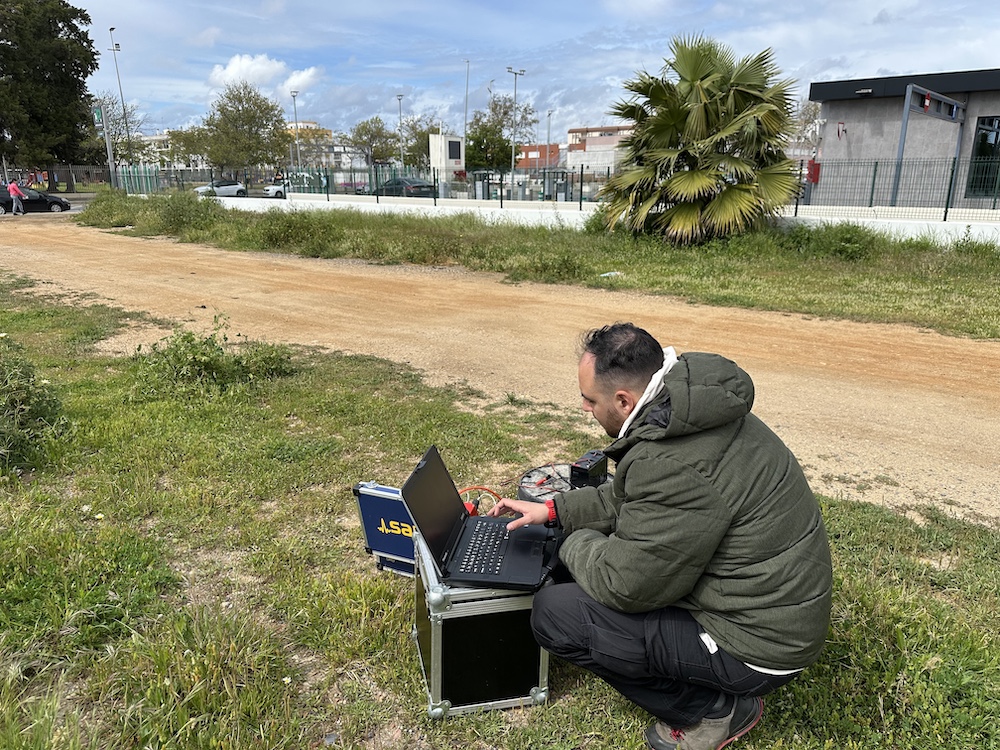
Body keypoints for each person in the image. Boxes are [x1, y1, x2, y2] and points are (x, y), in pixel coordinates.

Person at [488, 323, 832, 750]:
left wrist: (566, 544)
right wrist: (556, 511)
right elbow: (629, 494)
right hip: (775, 609)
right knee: (580, 563)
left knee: (556, 614)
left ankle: (710, 711)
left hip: (758, 646)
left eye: (588, 399)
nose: (583, 407)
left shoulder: (672, 461)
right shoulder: (690, 405)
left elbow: (626, 586)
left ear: (623, 400)